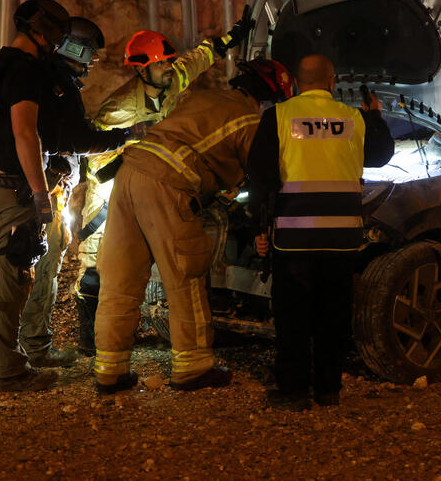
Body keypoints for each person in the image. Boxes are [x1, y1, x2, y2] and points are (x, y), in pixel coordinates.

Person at [92, 59, 292, 394]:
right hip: (167, 183)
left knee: (120, 278)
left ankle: (109, 371)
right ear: (269, 98)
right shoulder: (250, 121)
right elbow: (263, 177)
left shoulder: (201, 97)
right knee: (185, 275)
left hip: (129, 174)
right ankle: (193, 366)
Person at [74, 23, 247, 356]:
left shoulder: (172, 79)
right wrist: (133, 152)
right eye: (161, 63)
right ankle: (91, 339)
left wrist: (226, 41)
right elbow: (97, 162)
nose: (169, 67)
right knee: (97, 262)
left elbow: (197, 60)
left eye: (169, 61)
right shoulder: (118, 109)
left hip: (156, 182)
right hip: (111, 189)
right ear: (142, 70)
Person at [248, 54, 394, 411]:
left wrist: (259, 228)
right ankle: (328, 389)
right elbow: (381, 155)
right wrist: (374, 115)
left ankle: (294, 391)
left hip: (293, 237)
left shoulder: (278, 116)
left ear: (297, 83)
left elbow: (261, 179)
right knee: (334, 314)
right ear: (332, 82)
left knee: (293, 316)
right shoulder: (353, 118)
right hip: (341, 238)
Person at [19, 16, 143, 367]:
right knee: (43, 267)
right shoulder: (57, 85)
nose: (92, 60)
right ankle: (34, 347)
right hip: (48, 191)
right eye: (89, 52)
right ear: (74, 48)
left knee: (41, 266)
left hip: (45, 189)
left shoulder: (49, 81)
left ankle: (26, 345)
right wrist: (124, 136)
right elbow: (75, 139)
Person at [0, 0, 71, 391]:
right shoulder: (26, 70)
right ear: (45, 33)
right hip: (12, 189)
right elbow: (26, 133)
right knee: (13, 277)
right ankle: (9, 369)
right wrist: (41, 196)